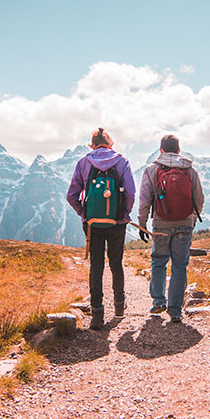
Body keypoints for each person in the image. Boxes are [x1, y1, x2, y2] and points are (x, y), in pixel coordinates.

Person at [66, 128, 136, 330]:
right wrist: (123, 214)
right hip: (117, 223)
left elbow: (72, 195)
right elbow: (130, 193)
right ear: (110, 143)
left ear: (93, 144)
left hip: (93, 223)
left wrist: (84, 214)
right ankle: (119, 307)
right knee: (116, 263)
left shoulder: (83, 162)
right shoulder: (122, 161)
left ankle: (97, 313)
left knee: (96, 265)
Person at [137, 135, 204, 322]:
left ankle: (158, 302)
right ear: (179, 150)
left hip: (160, 224)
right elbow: (199, 199)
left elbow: (145, 199)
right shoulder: (190, 170)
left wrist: (142, 223)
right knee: (180, 265)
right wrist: (191, 219)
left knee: (158, 261)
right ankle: (175, 310)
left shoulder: (152, 169)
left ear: (161, 150)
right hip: (184, 224)